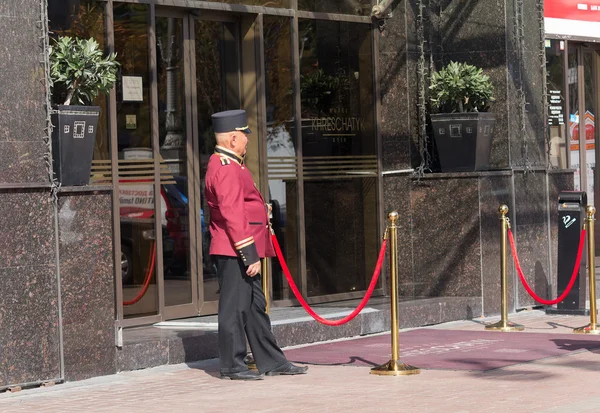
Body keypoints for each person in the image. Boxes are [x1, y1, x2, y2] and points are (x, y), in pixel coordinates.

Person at [204, 109, 309, 381]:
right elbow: (233, 213)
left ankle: (272, 361)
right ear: (231, 139)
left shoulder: (230, 164)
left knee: (254, 308)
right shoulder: (225, 168)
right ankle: (232, 366)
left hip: (236, 248)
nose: (247, 140)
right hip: (234, 250)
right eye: (243, 136)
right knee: (235, 309)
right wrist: (249, 254)